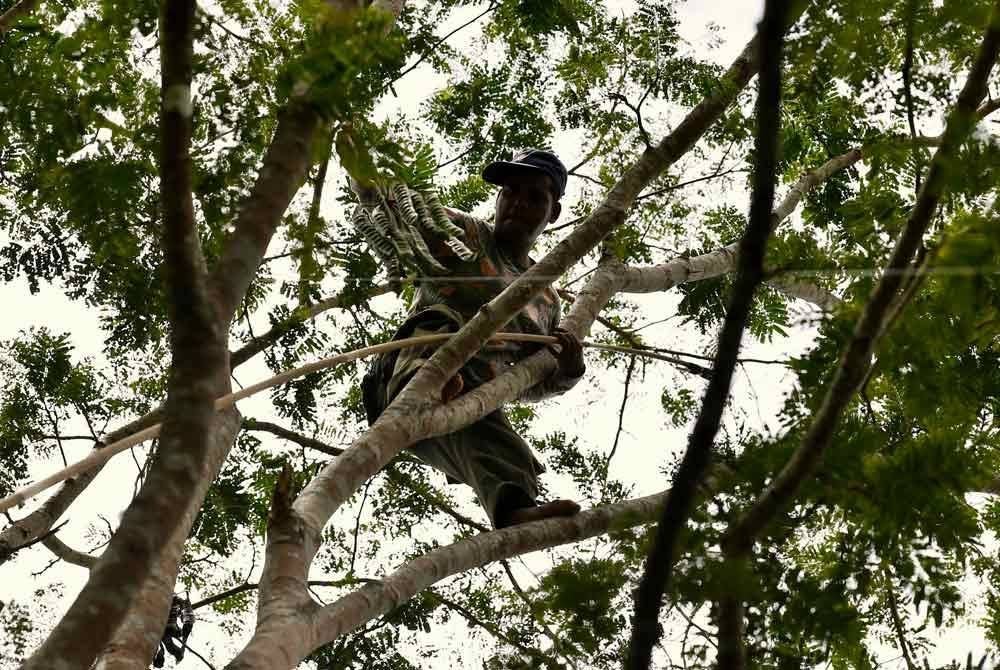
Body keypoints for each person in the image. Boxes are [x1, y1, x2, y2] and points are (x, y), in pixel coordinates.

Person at [361, 149, 585, 528]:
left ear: (554, 213)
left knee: (500, 443)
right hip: (406, 376)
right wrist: (363, 168)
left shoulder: (546, 300)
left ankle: (513, 510)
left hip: (466, 401)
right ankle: (436, 386)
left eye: (535, 198)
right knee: (442, 322)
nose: (518, 204)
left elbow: (530, 381)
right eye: (510, 192)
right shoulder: (465, 233)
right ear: (497, 198)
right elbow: (390, 204)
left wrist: (569, 369)